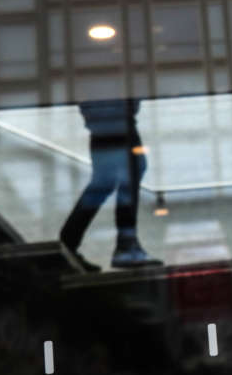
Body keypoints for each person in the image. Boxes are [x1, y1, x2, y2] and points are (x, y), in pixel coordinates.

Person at [59, 98, 162, 271]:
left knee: (108, 179)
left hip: (106, 113)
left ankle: (67, 245)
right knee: (129, 170)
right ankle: (126, 244)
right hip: (114, 112)